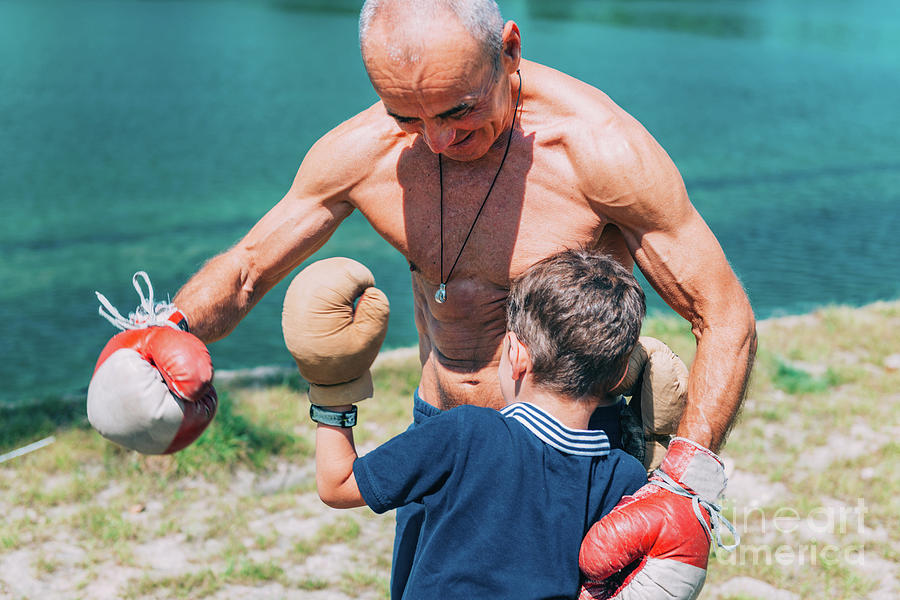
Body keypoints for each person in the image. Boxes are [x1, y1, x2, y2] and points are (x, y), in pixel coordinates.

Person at [89, 0, 756, 597]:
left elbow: (721, 312)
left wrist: (682, 482)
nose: (438, 139)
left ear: (510, 52)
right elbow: (246, 268)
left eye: (460, 110)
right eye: (407, 115)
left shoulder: (597, 149)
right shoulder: (369, 151)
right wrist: (168, 327)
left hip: (567, 457)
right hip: (441, 437)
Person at [312, 249, 649, 598]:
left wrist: (332, 388)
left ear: (516, 356)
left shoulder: (465, 433)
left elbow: (338, 485)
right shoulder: (625, 475)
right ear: (619, 375)